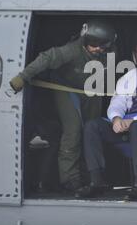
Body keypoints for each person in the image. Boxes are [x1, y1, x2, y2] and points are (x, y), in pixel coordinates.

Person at [9, 20, 117, 192]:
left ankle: (92, 176)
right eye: (95, 45)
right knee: (73, 130)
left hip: (92, 92)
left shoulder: (108, 52)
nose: (99, 49)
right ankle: (70, 179)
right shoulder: (71, 51)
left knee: (91, 130)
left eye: (103, 46)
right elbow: (47, 58)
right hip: (67, 90)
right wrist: (23, 77)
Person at [76, 37, 137, 200]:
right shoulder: (129, 76)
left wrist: (135, 120)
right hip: (127, 120)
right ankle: (96, 181)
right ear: (134, 55)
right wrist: (116, 119)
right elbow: (118, 101)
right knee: (93, 126)